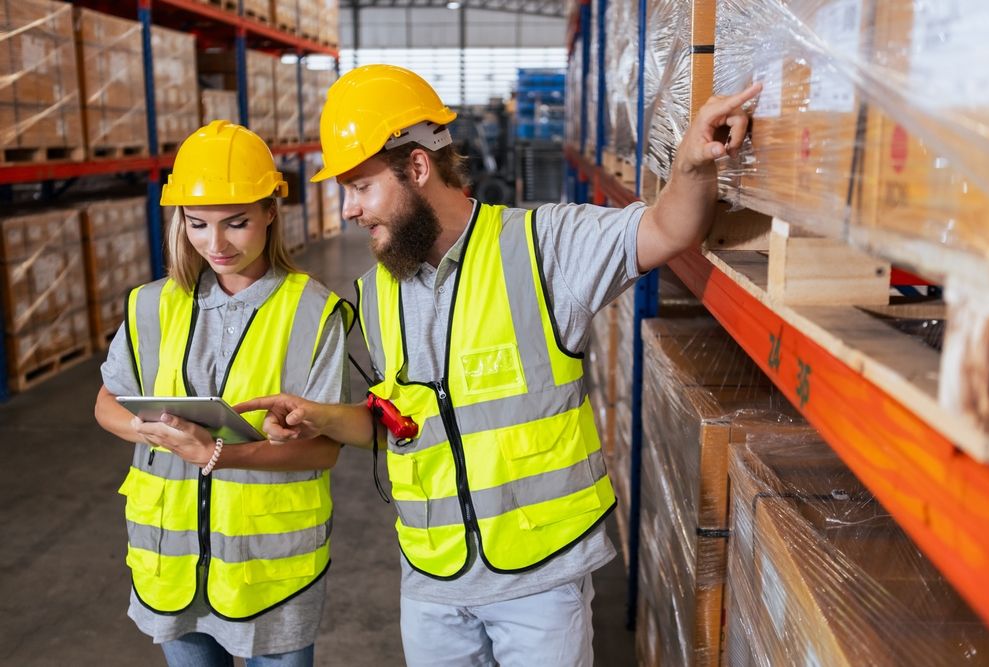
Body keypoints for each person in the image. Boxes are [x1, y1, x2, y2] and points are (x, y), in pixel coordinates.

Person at [239, 65, 760, 666]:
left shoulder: (542, 248)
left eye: (360, 186)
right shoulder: (376, 294)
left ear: (416, 168)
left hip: (538, 582)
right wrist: (321, 419)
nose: (350, 209)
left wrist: (694, 163)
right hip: (431, 581)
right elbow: (401, 425)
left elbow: (668, 229)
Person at [93, 120, 353, 666]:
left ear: (270, 212)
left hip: (271, 572)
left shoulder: (313, 312)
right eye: (197, 223)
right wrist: (146, 429)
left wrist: (216, 453)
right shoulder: (150, 305)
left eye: (236, 223)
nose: (216, 244)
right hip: (172, 565)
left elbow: (325, 449)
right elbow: (107, 401)